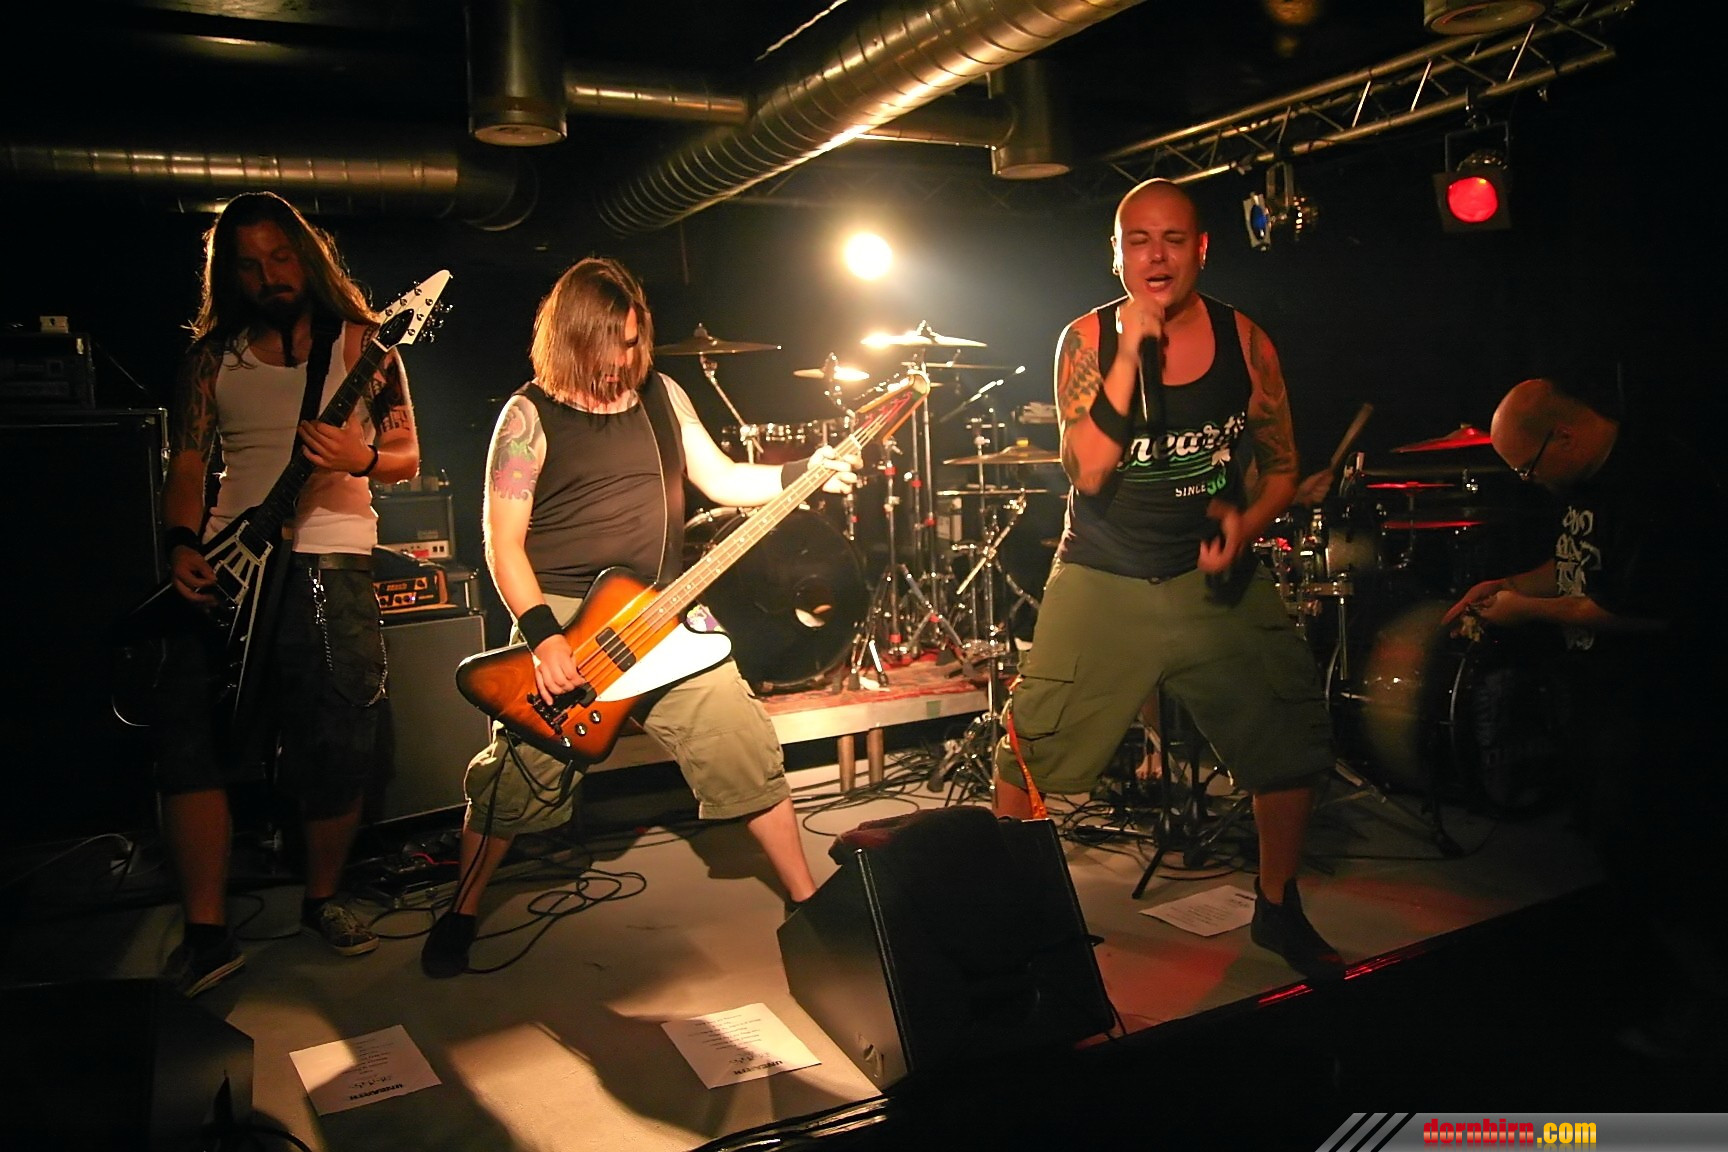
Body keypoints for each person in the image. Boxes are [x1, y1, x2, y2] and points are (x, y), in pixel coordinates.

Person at [420, 256, 858, 978]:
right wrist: (543, 638)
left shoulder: (662, 395)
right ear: (572, 338)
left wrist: (799, 474)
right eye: (611, 345)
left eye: (633, 342)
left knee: (739, 738)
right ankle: (462, 912)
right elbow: (502, 544)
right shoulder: (528, 415)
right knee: (518, 770)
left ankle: (810, 900)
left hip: (660, 610)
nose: (625, 359)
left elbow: (721, 477)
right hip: (563, 616)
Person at [991, 178, 1344, 980]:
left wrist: (1243, 527)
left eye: (1173, 239)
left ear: (1201, 250)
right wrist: (1133, 350)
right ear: (1116, 254)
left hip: (1209, 574)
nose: (1156, 255)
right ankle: (1017, 921)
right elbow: (1088, 471)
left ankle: (1279, 905)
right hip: (1104, 569)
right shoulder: (1086, 340)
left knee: (1290, 736)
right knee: (1032, 748)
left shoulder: (1245, 340)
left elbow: (1282, 467)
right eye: (1139, 240)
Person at [154, 191, 420, 996]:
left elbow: (406, 453)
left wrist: (356, 457)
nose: (269, 276)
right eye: (249, 265)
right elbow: (189, 464)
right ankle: (206, 931)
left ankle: (323, 898)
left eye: (279, 257)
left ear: (305, 255)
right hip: (230, 563)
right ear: (229, 275)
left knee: (338, 737)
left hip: (332, 558)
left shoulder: (368, 345)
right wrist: (182, 544)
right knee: (191, 740)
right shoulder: (212, 359)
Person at [1442, 375, 1726, 1055]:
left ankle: (1708, 1006)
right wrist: (1510, 584)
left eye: (1528, 468)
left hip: (1662, 703)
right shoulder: (1588, 479)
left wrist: (1525, 612)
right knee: (1616, 843)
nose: (1531, 482)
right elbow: (1577, 568)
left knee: (1660, 855)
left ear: (1564, 435)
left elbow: (1641, 608)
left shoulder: (1658, 484)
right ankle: (1667, 986)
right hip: (1606, 697)